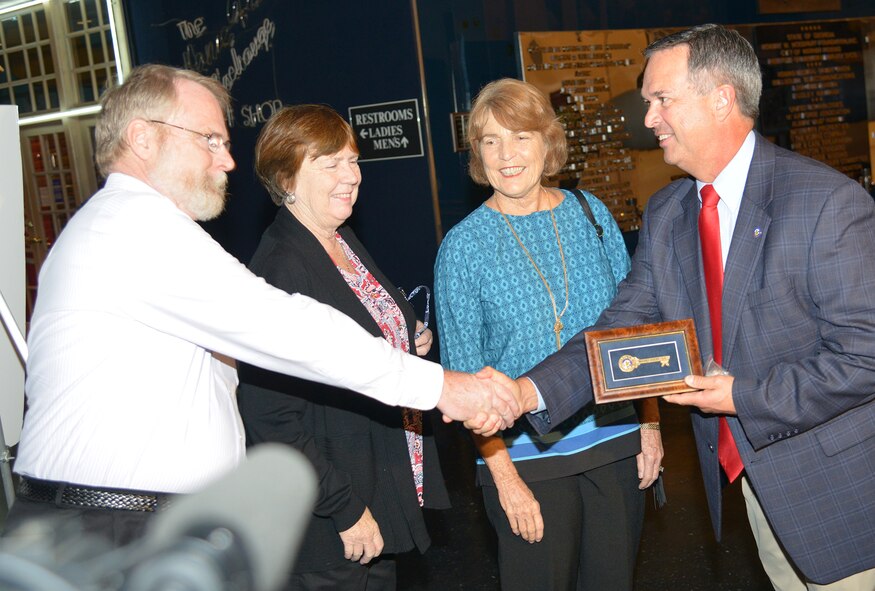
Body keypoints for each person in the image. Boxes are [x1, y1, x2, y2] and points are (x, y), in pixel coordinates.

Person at [2, 64, 518, 548]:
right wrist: (443, 387)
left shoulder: (130, 227)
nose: (227, 161)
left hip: (132, 526)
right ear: (142, 137)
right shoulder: (136, 230)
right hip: (110, 531)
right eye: (209, 140)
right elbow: (287, 329)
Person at [488, 24, 875, 590]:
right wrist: (528, 393)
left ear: (721, 98)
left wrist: (740, 395)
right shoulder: (670, 212)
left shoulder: (827, 204)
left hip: (841, 497)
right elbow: (620, 328)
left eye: (662, 100)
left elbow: (865, 358)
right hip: (760, 495)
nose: (648, 119)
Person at [434, 78, 663, 591]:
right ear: (478, 155)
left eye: (520, 137)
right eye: (491, 141)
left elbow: (633, 331)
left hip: (615, 441)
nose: (507, 154)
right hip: (524, 460)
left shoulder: (590, 214)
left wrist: (649, 424)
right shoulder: (463, 248)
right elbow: (468, 382)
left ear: (548, 143)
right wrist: (505, 480)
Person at [235, 104, 450, 589]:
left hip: (378, 486)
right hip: (333, 526)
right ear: (286, 177)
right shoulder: (281, 267)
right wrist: (344, 508)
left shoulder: (340, 238)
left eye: (353, 161)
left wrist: (409, 333)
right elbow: (270, 417)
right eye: (329, 163)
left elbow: (367, 325)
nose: (350, 176)